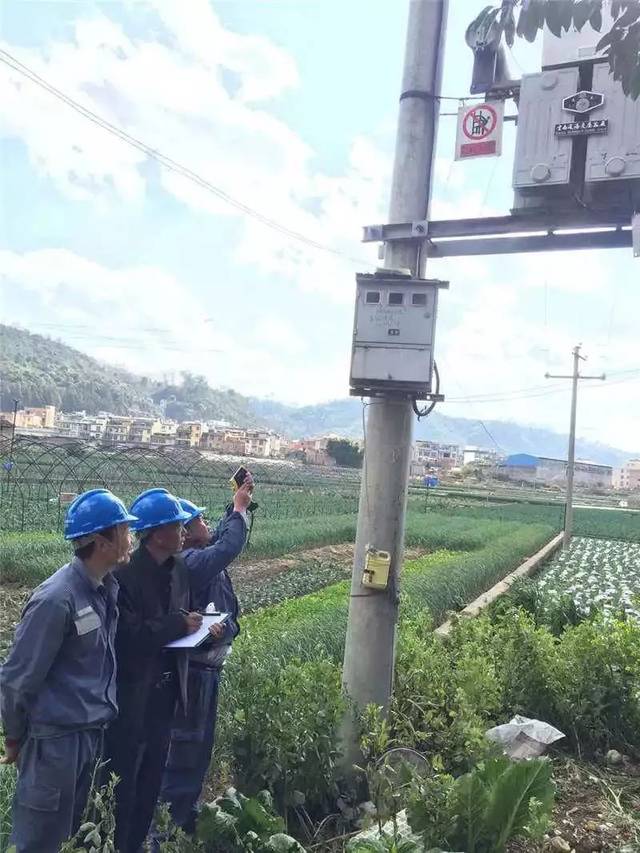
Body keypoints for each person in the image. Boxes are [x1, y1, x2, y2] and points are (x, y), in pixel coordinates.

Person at [0, 489, 137, 853]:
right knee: (39, 841)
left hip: (90, 735)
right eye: (125, 530)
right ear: (101, 541)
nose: (131, 538)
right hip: (55, 745)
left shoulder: (105, 589)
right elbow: (17, 678)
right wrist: (14, 738)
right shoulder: (56, 599)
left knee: (70, 837)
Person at [103, 488, 202, 853]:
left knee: (151, 779)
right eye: (177, 526)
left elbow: (181, 619)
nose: (184, 533)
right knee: (123, 781)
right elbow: (127, 636)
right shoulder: (124, 576)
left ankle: (138, 843)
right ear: (157, 533)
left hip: (165, 691)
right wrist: (178, 625)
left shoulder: (179, 571)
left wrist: (200, 628)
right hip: (131, 695)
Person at [158, 476, 254, 836]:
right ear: (183, 532)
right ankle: (166, 830)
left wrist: (237, 507)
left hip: (206, 671)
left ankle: (184, 818)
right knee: (185, 748)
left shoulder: (198, 555)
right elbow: (227, 547)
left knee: (199, 747)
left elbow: (221, 541)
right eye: (199, 519)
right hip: (194, 673)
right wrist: (240, 509)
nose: (205, 523)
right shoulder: (188, 561)